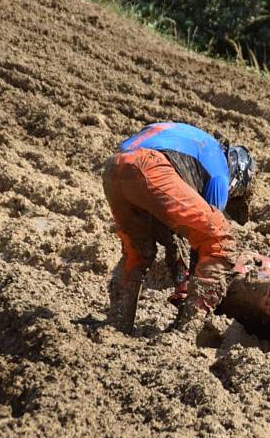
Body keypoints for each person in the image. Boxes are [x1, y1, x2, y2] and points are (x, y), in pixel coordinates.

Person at [102, 122, 256, 335]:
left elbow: (172, 230)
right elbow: (203, 239)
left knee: (137, 252)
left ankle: (117, 324)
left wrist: (180, 276)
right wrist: (189, 285)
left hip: (115, 167)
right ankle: (188, 329)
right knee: (219, 240)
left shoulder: (196, 141)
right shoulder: (221, 169)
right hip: (150, 166)